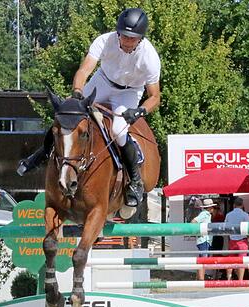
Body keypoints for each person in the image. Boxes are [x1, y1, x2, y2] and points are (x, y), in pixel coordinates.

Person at [16, 7, 161, 208]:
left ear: (140, 39)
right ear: (118, 33)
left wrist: (139, 111)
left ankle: (134, 180)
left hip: (129, 92)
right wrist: (77, 92)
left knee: (119, 130)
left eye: (133, 38)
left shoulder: (150, 57)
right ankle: (41, 153)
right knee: (69, 112)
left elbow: (155, 96)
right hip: (102, 80)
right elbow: (84, 70)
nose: (127, 41)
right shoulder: (104, 41)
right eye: (124, 36)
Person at [224, 197, 249, 281]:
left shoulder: (228, 215)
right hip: (242, 241)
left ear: (234, 205)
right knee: (241, 261)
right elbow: (248, 229)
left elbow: (225, 227)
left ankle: (229, 279)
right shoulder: (245, 215)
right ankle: (240, 280)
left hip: (232, 240)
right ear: (242, 205)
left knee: (230, 260)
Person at [191, 199, 218, 281]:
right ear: (210, 208)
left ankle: (199, 278)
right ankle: (201, 280)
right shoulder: (205, 214)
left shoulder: (206, 214)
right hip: (204, 240)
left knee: (201, 260)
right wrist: (199, 232)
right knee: (203, 260)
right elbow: (194, 221)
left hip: (203, 240)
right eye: (213, 207)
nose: (213, 208)